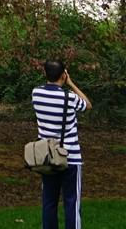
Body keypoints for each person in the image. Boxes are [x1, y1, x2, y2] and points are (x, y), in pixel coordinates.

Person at [32, 59, 91, 229]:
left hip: (47, 156)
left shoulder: (36, 93)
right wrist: (71, 84)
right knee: (72, 203)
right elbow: (87, 105)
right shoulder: (70, 98)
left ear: (45, 74)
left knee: (49, 202)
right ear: (64, 75)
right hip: (70, 157)